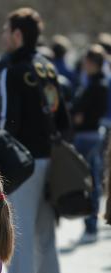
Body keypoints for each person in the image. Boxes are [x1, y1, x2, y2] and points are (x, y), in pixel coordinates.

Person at [0, 8, 71, 273]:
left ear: (17, 34)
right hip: (52, 158)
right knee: (45, 235)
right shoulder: (47, 66)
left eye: (6, 31)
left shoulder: (13, 70)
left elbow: (9, 124)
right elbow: (62, 118)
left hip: (24, 163)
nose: (3, 36)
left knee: (19, 236)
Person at [72, 44, 109, 244]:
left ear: (93, 63)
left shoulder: (96, 85)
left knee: (89, 182)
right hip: (91, 134)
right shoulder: (95, 83)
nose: (83, 64)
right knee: (91, 180)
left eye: (87, 61)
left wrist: (78, 114)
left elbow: (79, 111)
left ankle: (91, 225)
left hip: (87, 136)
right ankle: (90, 223)